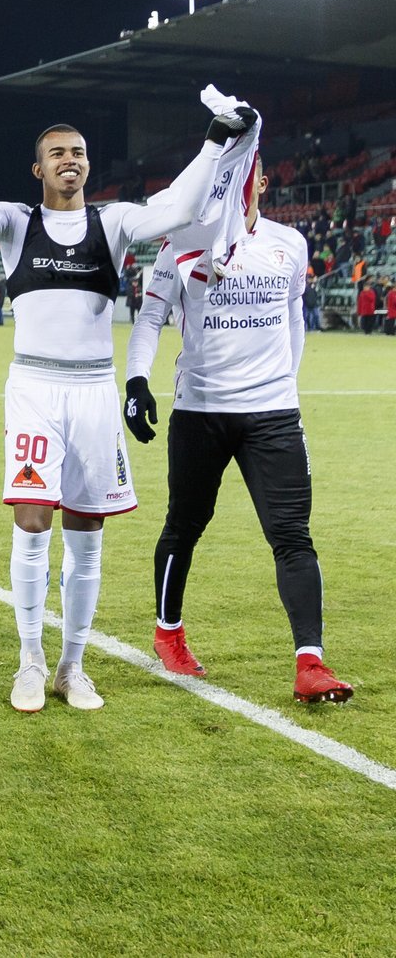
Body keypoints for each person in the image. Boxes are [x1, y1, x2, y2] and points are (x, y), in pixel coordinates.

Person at [0, 63, 254, 712]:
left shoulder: (115, 222)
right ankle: (28, 660)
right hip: (36, 388)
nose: (69, 160)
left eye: (77, 152)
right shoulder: (17, 223)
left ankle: (72, 667)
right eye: (56, 154)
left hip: (94, 391)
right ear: (37, 169)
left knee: (88, 531)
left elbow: (181, 208)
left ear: (86, 164)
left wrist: (216, 136)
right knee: (31, 518)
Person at [125, 160, 352, 703]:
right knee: (185, 524)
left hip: (273, 415)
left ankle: (311, 663)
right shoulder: (182, 241)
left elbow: (294, 316)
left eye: (245, 171)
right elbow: (151, 316)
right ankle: (168, 633)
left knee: (292, 535)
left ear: (262, 183)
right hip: (200, 411)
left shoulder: (289, 243)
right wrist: (136, 381)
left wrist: (284, 385)